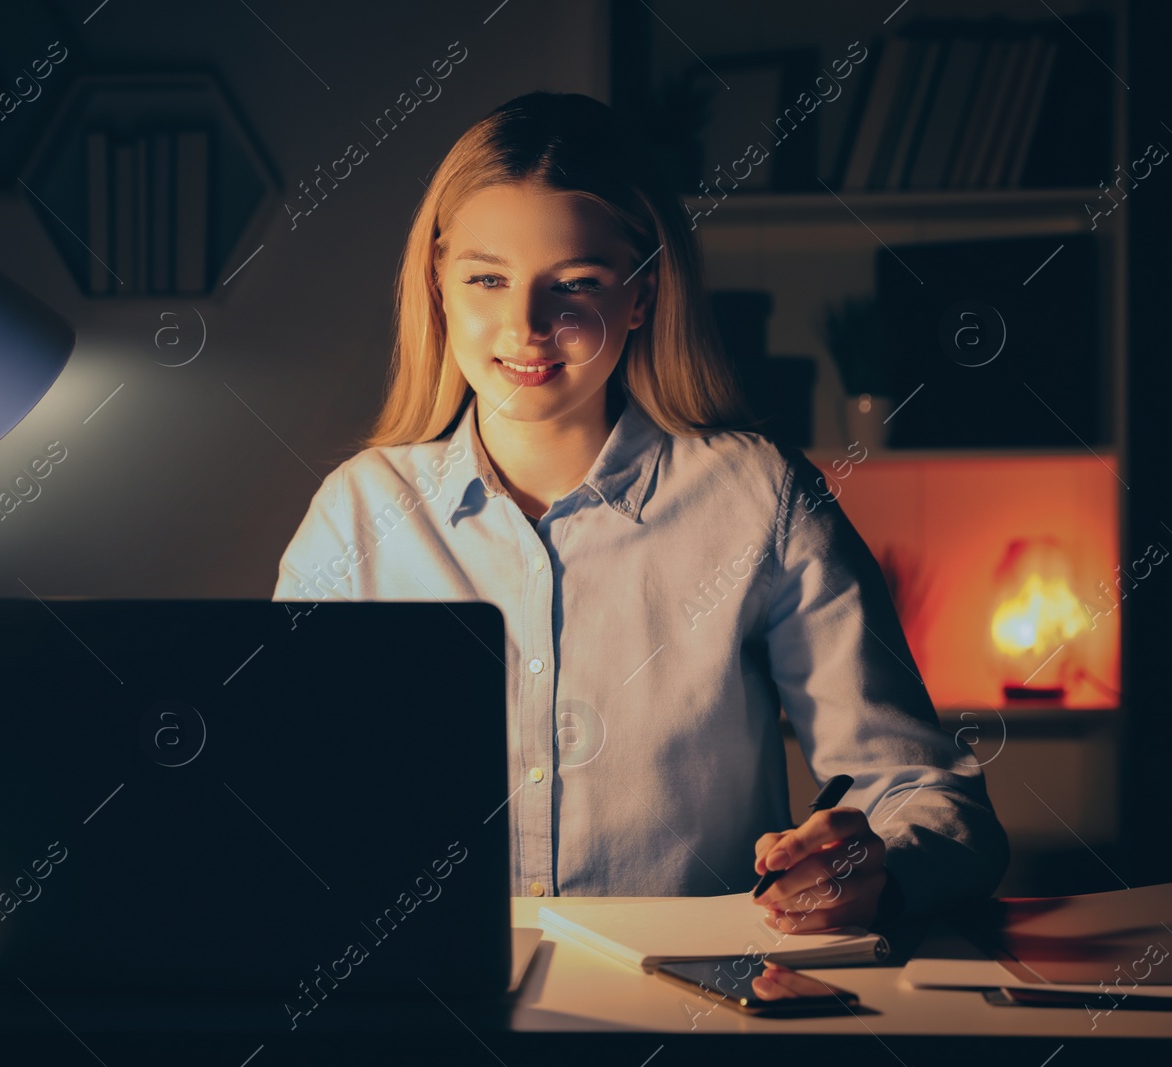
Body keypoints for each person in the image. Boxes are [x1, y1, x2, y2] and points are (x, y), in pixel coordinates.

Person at [272, 91, 1008, 934]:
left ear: (644, 293)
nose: (527, 325)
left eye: (576, 284)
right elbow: (282, 786)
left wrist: (876, 864)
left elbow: (926, 791)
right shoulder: (358, 513)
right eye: (486, 278)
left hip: (695, 1014)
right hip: (431, 1010)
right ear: (438, 282)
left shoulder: (759, 498)